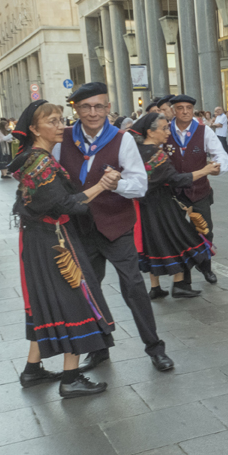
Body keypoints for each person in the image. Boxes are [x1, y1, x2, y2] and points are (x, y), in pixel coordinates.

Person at [54, 81, 175, 373]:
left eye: (98, 106)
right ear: (77, 109)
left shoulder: (122, 140)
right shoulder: (64, 139)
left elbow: (140, 186)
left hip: (115, 225)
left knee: (133, 287)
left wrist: (118, 183)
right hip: (79, 228)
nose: (93, 112)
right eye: (85, 106)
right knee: (87, 290)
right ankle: (98, 348)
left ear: (108, 108)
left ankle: (154, 348)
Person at [8, 100, 118, 398]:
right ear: (33, 128)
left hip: (40, 238)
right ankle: (71, 378)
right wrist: (103, 185)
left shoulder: (34, 158)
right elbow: (66, 205)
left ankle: (32, 370)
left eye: (61, 120)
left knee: (46, 304)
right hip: (54, 240)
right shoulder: (41, 161)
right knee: (76, 301)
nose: (61, 126)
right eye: (53, 122)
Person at [131, 112, 214, 299]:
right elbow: (176, 179)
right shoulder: (157, 155)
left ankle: (155, 287)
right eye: (163, 128)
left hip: (144, 207)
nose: (167, 132)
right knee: (181, 239)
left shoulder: (136, 151)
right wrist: (205, 170)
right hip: (163, 206)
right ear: (151, 133)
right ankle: (179, 285)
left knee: (152, 242)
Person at [166, 94, 228, 286]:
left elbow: (219, 154)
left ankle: (206, 266)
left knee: (205, 230)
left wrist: (219, 167)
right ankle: (182, 277)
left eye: (188, 108)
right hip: (173, 193)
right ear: (173, 110)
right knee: (176, 233)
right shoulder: (165, 131)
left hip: (199, 190)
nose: (185, 111)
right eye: (180, 108)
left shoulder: (204, 131)